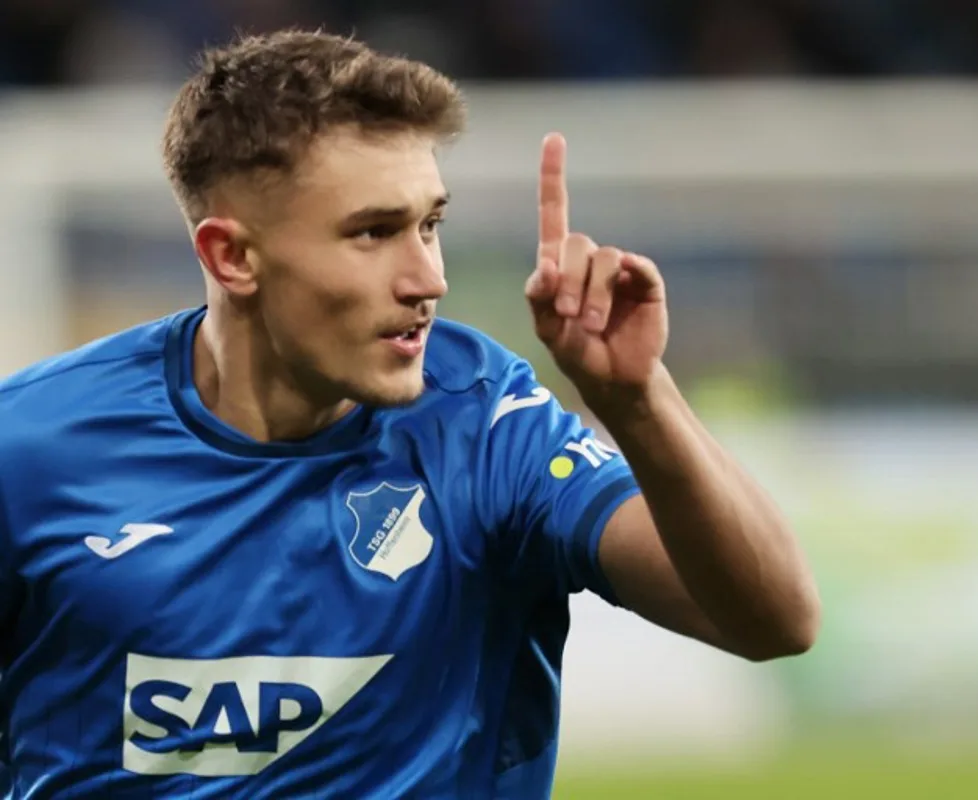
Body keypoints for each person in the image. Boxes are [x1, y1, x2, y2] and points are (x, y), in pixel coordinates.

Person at [0, 29, 820, 799]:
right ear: (232, 255)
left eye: (431, 224)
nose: (428, 278)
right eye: (374, 232)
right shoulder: (31, 450)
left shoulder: (485, 422)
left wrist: (637, 401)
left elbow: (773, 620)